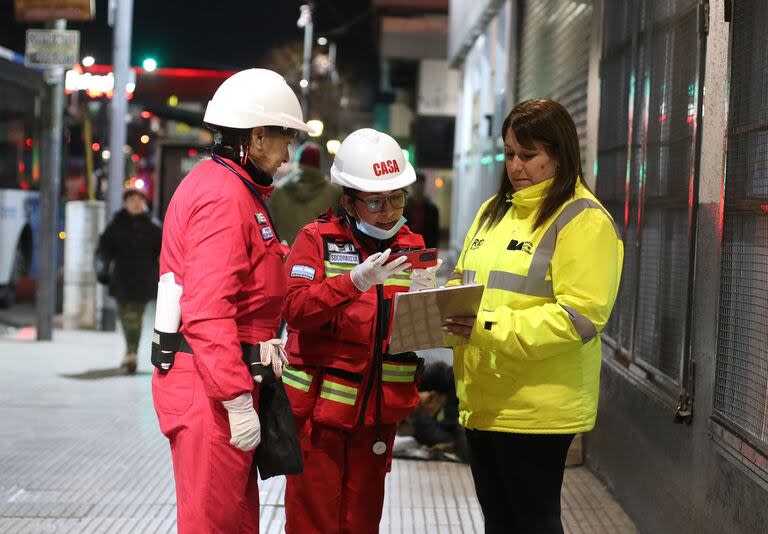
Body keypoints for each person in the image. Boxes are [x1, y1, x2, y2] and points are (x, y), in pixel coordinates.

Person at [443, 98, 624, 534]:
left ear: (559, 155)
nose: (516, 166)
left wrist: (484, 325)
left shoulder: (583, 221)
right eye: (509, 153)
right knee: (499, 521)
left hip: (538, 406)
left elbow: (579, 318)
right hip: (484, 399)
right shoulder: (494, 211)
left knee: (532, 521)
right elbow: (461, 278)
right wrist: (441, 303)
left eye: (529, 155)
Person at [151, 68, 312, 533]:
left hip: (223, 385)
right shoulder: (224, 196)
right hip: (211, 391)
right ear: (258, 137)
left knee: (235, 522)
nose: (287, 156)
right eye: (285, 139)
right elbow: (208, 309)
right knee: (215, 524)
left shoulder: (239, 190)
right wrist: (237, 398)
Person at [281, 128, 434, 534]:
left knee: (361, 522)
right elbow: (294, 309)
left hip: (378, 418)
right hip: (320, 420)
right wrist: (354, 282)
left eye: (396, 199)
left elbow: (416, 332)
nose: (387, 211)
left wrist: (442, 312)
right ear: (347, 200)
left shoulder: (411, 248)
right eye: (375, 201)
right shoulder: (315, 241)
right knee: (313, 522)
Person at [96, 189, 161, 373]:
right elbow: (104, 249)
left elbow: (163, 251)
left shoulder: (153, 227)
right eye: (131, 199)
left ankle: (131, 353)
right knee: (124, 316)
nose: (135, 203)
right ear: (125, 203)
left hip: (143, 279)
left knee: (134, 317)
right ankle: (130, 350)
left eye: (139, 200)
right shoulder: (116, 225)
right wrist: (102, 267)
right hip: (121, 279)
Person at [267, 141, 341, 245]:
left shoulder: (278, 191)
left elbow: (269, 229)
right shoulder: (334, 193)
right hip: (319, 258)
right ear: (319, 164)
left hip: (286, 257)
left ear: (297, 162)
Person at [404, 170, 440, 248]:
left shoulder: (432, 209)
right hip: (407, 246)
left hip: (426, 246)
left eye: (420, 184)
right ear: (412, 186)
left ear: (423, 185)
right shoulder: (404, 208)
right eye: (415, 184)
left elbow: (435, 234)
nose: (417, 187)